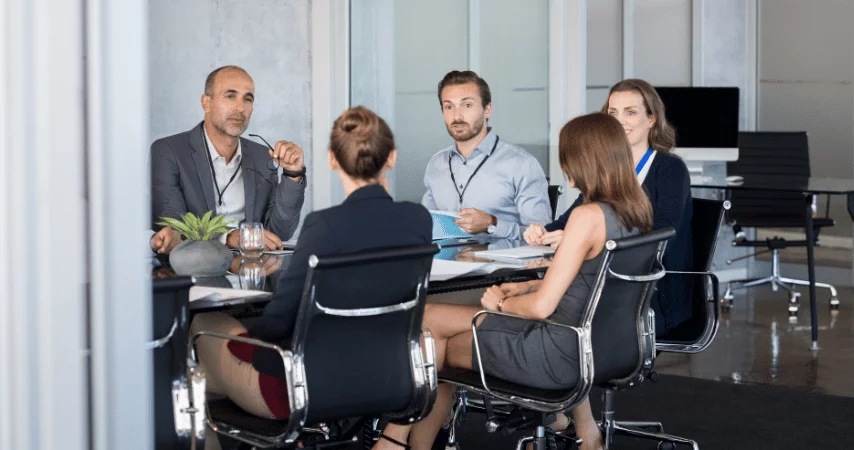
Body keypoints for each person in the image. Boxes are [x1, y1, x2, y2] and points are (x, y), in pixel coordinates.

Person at [374, 113, 654, 450]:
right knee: (429, 325)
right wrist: (524, 287)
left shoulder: (586, 216)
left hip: (554, 352)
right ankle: (400, 442)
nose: (565, 169)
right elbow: (589, 285)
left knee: (430, 341)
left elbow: (540, 309)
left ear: (584, 160)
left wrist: (502, 304)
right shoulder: (636, 211)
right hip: (602, 347)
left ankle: (395, 442)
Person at [189, 106, 432, 449]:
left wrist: (246, 343)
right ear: (391, 158)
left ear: (332, 160)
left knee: (199, 333)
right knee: (212, 378)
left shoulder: (324, 226)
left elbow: (280, 319)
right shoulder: (419, 219)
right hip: (391, 381)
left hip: (308, 391)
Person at [524, 79, 693, 334]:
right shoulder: (606, 173)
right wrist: (542, 233)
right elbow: (568, 221)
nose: (619, 120)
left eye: (631, 112)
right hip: (605, 287)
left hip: (653, 291)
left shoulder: (670, 169)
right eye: (613, 113)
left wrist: (580, 243)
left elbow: (660, 237)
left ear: (652, 120)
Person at [150, 65, 306, 254]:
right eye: (230, 96)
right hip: (194, 271)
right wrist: (228, 238)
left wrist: (292, 175)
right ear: (206, 103)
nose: (240, 107)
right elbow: (174, 231)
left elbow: (280, 232)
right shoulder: (168, 151)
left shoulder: (261, 155)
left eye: (247, 99)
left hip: (252, 272)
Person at [422, 70, 551, 241]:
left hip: (503, 267)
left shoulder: (521, 164)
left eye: (467, 105)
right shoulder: (436, 164)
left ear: (487, 109)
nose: (457, 116)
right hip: (445, 263)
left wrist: (492, 224)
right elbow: (424, 227)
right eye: (449, 107)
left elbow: (542, 236)